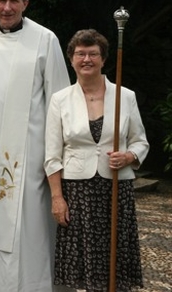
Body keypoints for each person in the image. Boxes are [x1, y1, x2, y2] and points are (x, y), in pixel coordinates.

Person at [0, 0, 70, 291]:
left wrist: (55, 159)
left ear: (26, 4)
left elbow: (59, 103)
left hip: (29, 158)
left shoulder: (45, 39)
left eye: (14, 1)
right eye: (2, 0)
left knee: (29, 236)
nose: (7, 7)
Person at [45, 29, 149, 291]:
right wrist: (57, 198)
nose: (86, 59)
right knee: (85, 263)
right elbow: (52, 155)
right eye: (80, 54)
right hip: (78, 191)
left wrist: (129, 156)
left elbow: (140, 142)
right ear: (71, 60)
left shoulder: (125, 96)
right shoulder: (60, 100)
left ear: (104, 59)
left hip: (115, 189)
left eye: (93, 53)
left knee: (115, 258)